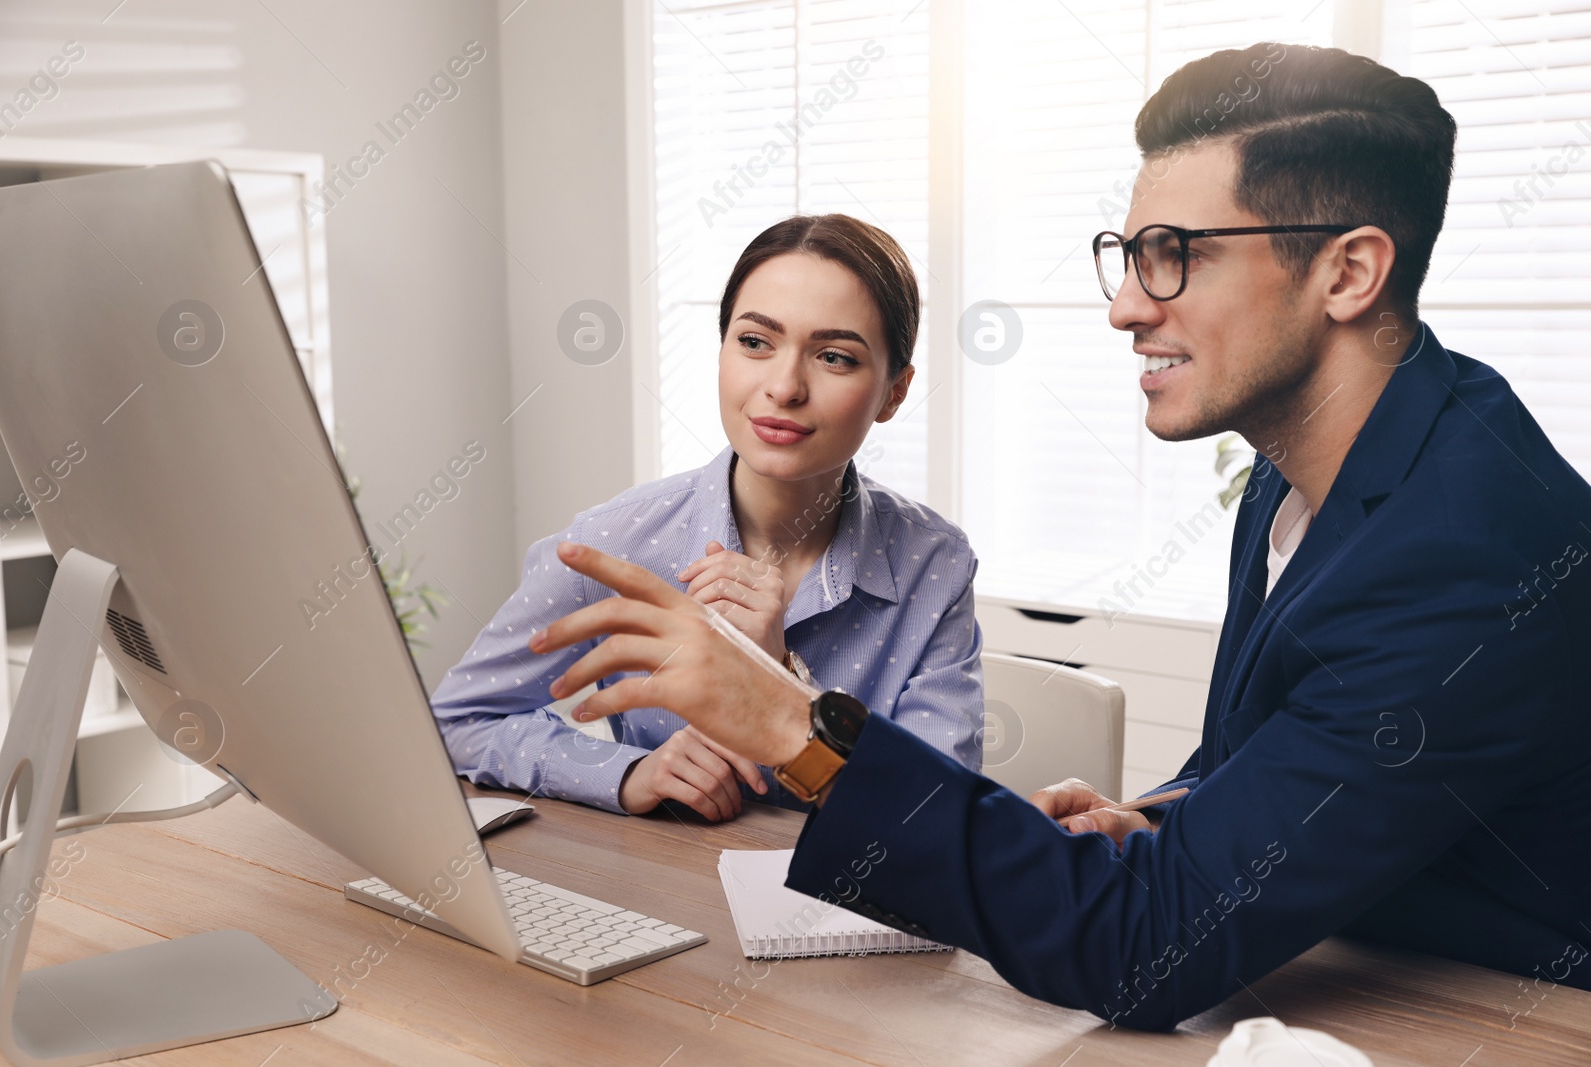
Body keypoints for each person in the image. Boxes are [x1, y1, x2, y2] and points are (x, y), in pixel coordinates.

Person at [527, 43, 1591, 1028]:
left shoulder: (1466, 550)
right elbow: (1269, 746)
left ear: (1348, 274)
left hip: (1503, 1022)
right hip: (1342, 973)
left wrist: (789, 719)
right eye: (1126, 255)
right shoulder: (1307, 468)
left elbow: (1142, 951)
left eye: (1173, 255)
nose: (1127, 305)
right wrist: (1163, 815)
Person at [432, 213, 983, 823]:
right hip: (663, 901)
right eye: (755, 342)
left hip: (850, 911)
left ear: (893, 393)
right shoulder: (616, 542)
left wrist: (784, 684)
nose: (783, 386)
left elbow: (941, 817)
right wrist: (624, 772)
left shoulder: (934, 562)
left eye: (833, 356)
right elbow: (460, 719)